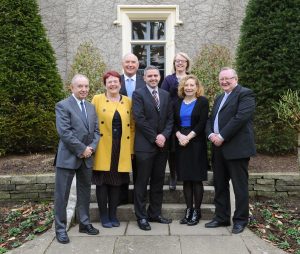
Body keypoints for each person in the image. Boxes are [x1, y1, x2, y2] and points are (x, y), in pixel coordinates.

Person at [205, 67, 256, 234]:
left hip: (237, 148)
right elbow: (211, 119)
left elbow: (240, 118)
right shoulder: (220, 97)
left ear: (236, 78)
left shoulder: (245, 94)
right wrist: (211, 134)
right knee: (220, 184)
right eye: (222, 79)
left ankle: (240, 220)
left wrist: (222, 136)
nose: (224, 82)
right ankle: (221, 217)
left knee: (239, 186)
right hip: (218, 148)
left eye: (228, 78)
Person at [54, 74, 100, 244]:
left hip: (87, 158)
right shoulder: (63, 105)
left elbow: (96, 131)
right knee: (62, 195)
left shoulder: (90, 107)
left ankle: (84, 223)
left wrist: (91, 148)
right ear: (72, 88)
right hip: (68, 157)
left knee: (84, 192)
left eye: (86, 86)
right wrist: (82, 149)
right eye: (80, 86)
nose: (84, 89)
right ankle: (60, 229)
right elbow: (64, 132)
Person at [132, 65, 173, 231]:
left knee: (157, 182)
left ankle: (155, 213)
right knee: (141, 183)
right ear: (144, 78)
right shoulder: (138, 94)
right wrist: (155, 137)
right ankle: (141, 217)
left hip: (162, 147)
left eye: (156, 75)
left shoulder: (165, 94)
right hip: (145, 146)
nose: (153, 78)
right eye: (150, 76)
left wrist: (164, 135)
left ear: (160, 77)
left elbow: (171, 118)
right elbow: (139, 119)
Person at [92, 71, 134, 228]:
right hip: (103, 146)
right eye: (109, 82)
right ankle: (103, 215)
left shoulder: (128, 101)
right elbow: (92, 123)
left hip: (121, 146)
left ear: (120, 84)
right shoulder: (97, 99)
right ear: (105, 84)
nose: (113, 84)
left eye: (116, 81)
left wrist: (131, 150)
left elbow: (132, 127)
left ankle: (113, 214)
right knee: (102, 182)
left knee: (116, 182)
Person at [174, 75, 209, 226]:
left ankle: (197, 211)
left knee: (196, 179)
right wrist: (179, 135)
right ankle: (188, 210)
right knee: (186, 179)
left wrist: (188, 137)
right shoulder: (177, 102)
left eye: (192, 85)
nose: (189, 87)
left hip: (196, 142)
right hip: (180, 141)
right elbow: (174, 122)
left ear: (197, 87)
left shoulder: (202, 101)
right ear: (183, 87)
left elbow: (202, 123)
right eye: (186, 85)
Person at [161, 52, 191, 190]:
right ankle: (173, 176)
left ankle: (184, 174)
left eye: (182, 61)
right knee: (172, 149)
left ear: (187, 63)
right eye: (177, 61)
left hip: (187, 116)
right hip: (172, 116)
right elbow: (163, 97)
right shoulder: (168, 79)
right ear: (174, 63)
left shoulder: (191, 78)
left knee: (186, 146)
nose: (180, 63)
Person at [119, 53, 146, 205]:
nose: (130, 65)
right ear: (123, 64)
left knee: (139, 166)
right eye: (127, 62)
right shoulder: (117, 81)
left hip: (140, 130)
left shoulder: (144, 81)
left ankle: (139, 198)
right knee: (122, 164)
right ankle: (122, 198)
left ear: (138, 65)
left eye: (133, 62)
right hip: (121, 130)